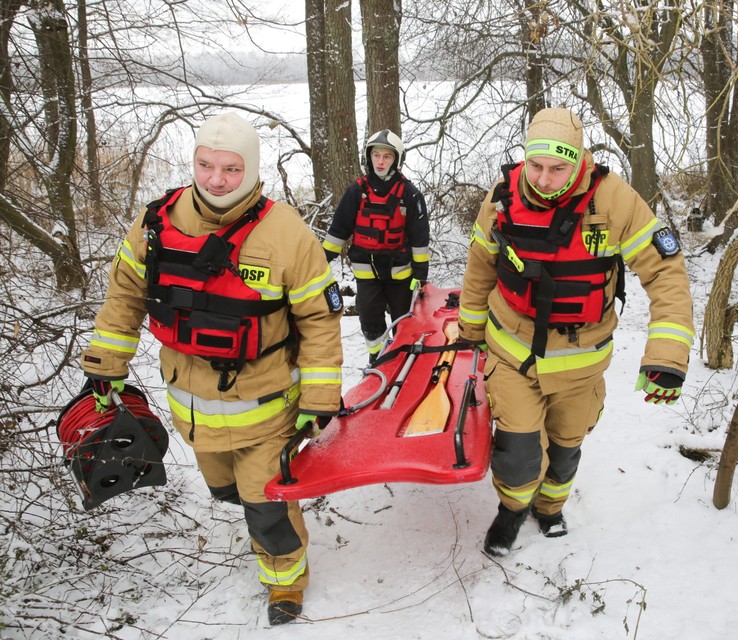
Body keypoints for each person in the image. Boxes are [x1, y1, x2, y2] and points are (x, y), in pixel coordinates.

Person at [79, 112, 345, 625]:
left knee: (264, 501)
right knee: (227, 491)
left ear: (251, 170)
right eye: (205, 165)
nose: (216, 179)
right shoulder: (155, 223)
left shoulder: (286, 234)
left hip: (267, 407)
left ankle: (284, 583)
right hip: (193, 409)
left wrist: (320, 396)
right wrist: (105, 365)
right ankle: (250, 515)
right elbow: (125, 298)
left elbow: (318, 320)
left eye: (230, 168)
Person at [456, 107, 694, 556]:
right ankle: (511, 511)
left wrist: (666, 355)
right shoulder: (502, 197)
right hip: (513, 352)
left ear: (580, 159)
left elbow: (666, 273)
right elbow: (480, 264)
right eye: (536, 166)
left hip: (583, 361)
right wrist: (469, 327)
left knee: (566, 450)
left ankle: (550, 509)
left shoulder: (614, 200)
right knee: (518, 453)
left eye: (558, 168)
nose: (544, 179)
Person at [323, 130, 430, 363]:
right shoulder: (356, 192)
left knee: (403, 320)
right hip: (367, 273)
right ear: (369, 157)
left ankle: (403, 362)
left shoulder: (410, 195)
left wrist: (421, 276)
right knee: (370, 320)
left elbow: (420, 239)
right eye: (376, 155)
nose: (380, 162)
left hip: (400, 274)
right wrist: (318, 262)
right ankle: (378, 360)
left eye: (387, 157)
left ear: (397, 159)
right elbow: (338, 231)